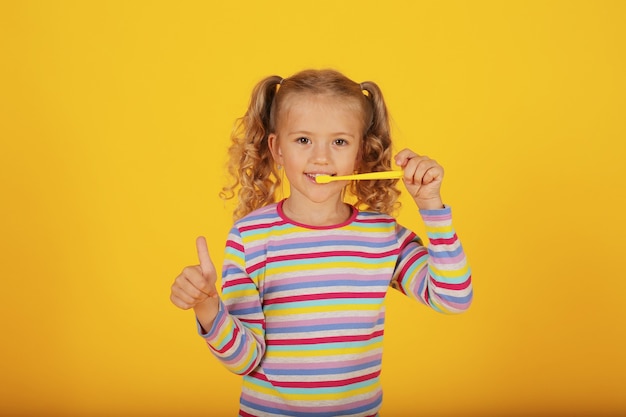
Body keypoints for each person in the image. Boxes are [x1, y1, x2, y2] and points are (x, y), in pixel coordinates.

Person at [170, 68, 473, 417]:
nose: (321, 158)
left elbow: (453, 298)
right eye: (303, 140)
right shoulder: (250, 238)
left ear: (360, 153)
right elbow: (244, 360)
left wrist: (431, 205)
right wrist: (208, 307)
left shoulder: (383, 236)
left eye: (340, 142)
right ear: (277, 149)